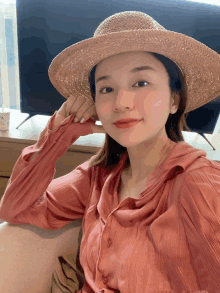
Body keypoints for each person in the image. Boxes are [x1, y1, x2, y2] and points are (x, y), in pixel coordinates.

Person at [1, 10, 220, 293]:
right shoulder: (98, 178)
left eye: (141, 83)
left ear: (174, 100)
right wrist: (60, 134)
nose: (120, 102)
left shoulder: (199, 184)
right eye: (106, 88)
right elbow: (15, 209)